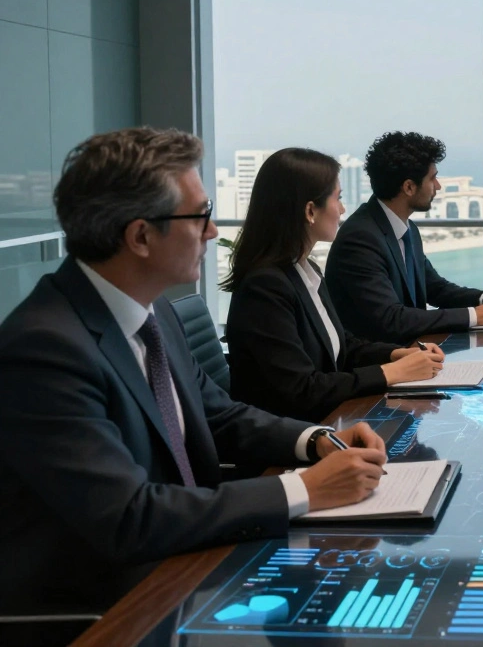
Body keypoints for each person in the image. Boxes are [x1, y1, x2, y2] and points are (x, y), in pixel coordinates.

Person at [0, 128, 389, 623]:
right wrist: (307, 489)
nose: (211, 233)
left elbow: (219, 416)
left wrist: (316, 441)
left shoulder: (153, 310)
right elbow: (129, 517)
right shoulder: (45, 349)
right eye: (200, 216)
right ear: (140, 236)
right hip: (113, 608)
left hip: (195, 564)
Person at [223, 148, 445, 422]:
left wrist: (400, 354)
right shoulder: (265, 287)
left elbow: (341, 346)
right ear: (310, 211)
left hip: (330, 421)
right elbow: (302, 389)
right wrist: (393, 372)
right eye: (337, 199)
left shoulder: (303, 269)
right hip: (294, 443)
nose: (342, 209)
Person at [326, 131, 483, 343]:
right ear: (409, 187)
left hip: (412, 354)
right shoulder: (360, 238)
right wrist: (477, 316)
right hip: (379, 364)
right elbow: (391, 319)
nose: (438, 186)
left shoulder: (404, 227)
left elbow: (434, 288)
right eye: (433, 178)